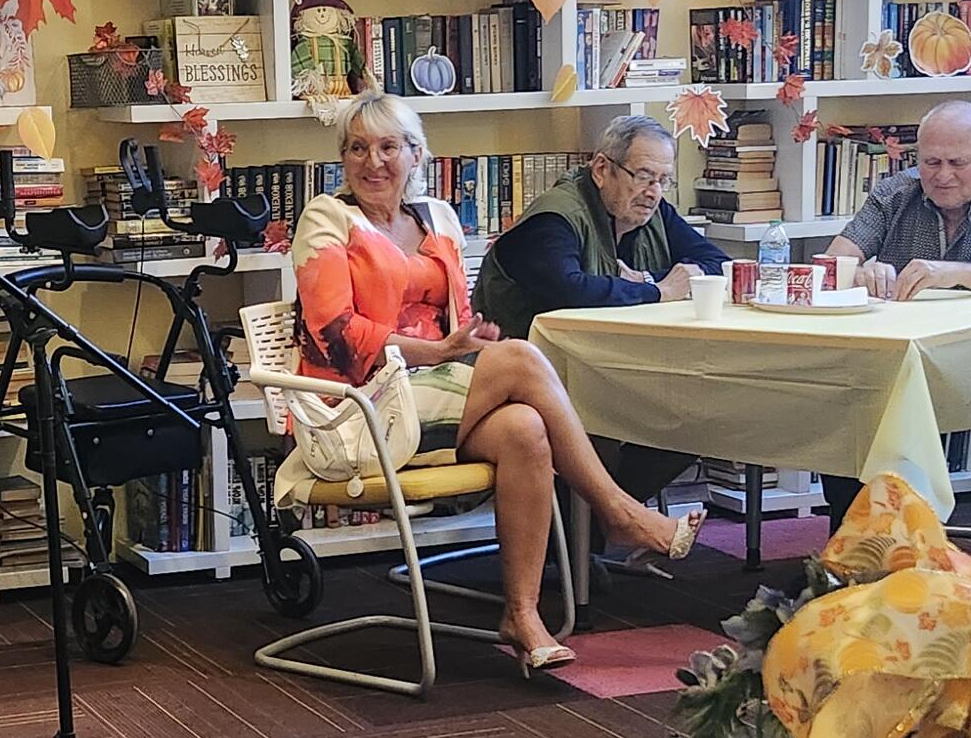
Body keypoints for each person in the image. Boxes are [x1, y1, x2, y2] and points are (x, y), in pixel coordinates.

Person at [291, 95, 701, 671]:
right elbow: (333, 330)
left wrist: (465, 342)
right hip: (357, 403)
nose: (373, 162)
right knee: (522, 359)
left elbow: (459, 319)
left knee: (526, 429)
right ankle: (618, 512)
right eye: (358, 149)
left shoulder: (436, 219)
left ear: (416, 155)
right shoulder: (327, 220)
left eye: (388, 147)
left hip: (433, 391)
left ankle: (523, 614)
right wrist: (439, 351)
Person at [818, 100, 971, 517]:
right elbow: (830, 265)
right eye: (930, 161)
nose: (942, 175)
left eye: (958, 162)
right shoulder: (895, 192)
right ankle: (853, 539)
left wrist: (950, 272)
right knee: (843, 393)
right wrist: (858, 272)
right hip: (903, 359)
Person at [472, 114, 727, 503]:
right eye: (642, 176)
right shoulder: (554, 218)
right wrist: (657, 290)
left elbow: (717, 265)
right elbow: (570, 290)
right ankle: (601, 523)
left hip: (609, 367)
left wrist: (642, 278)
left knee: (703, 416)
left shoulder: (654, 212)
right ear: (602, 169)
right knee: (636, 413)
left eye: (663, 180)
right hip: (534, 375)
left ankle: (602, 522)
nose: (654, 192)